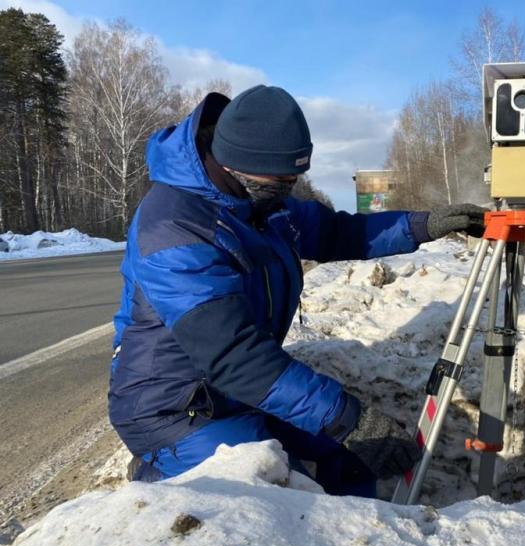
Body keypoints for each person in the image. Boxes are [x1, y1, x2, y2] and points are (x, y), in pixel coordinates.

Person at [108, 85, 486, 497]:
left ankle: (359, 542)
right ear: (238, 165)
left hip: (240, 393)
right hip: (174, 409)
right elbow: (235, 356)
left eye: (295, 177)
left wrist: (423, 225)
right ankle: (158, 477)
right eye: (280, 180)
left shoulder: (262, 205)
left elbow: (340, 232)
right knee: (276, 490)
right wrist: (348, 419)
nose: (288, 188)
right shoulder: (174, 228)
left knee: (349, 455)